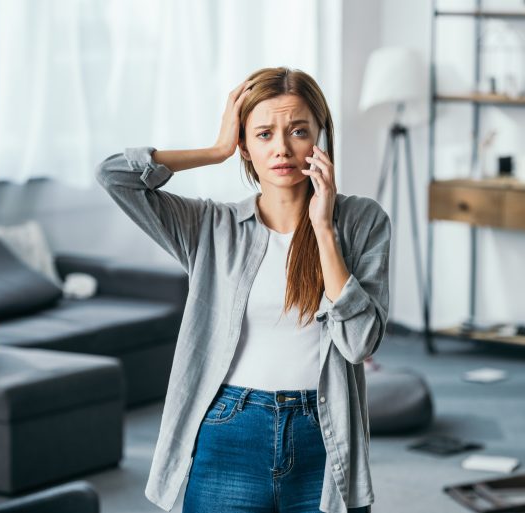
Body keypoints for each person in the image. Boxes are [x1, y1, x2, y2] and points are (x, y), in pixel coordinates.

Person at [95, 66, 390, 513]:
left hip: (323, 436)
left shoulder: (362, 222)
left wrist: (324, 229)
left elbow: (359, 344)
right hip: (229, 429)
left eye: (298, 131)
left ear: (321, 139)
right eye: (264, 134)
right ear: (245, 147)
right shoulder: (211, 227)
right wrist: (215, 150)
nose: (282, 148)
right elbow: (115, 175)